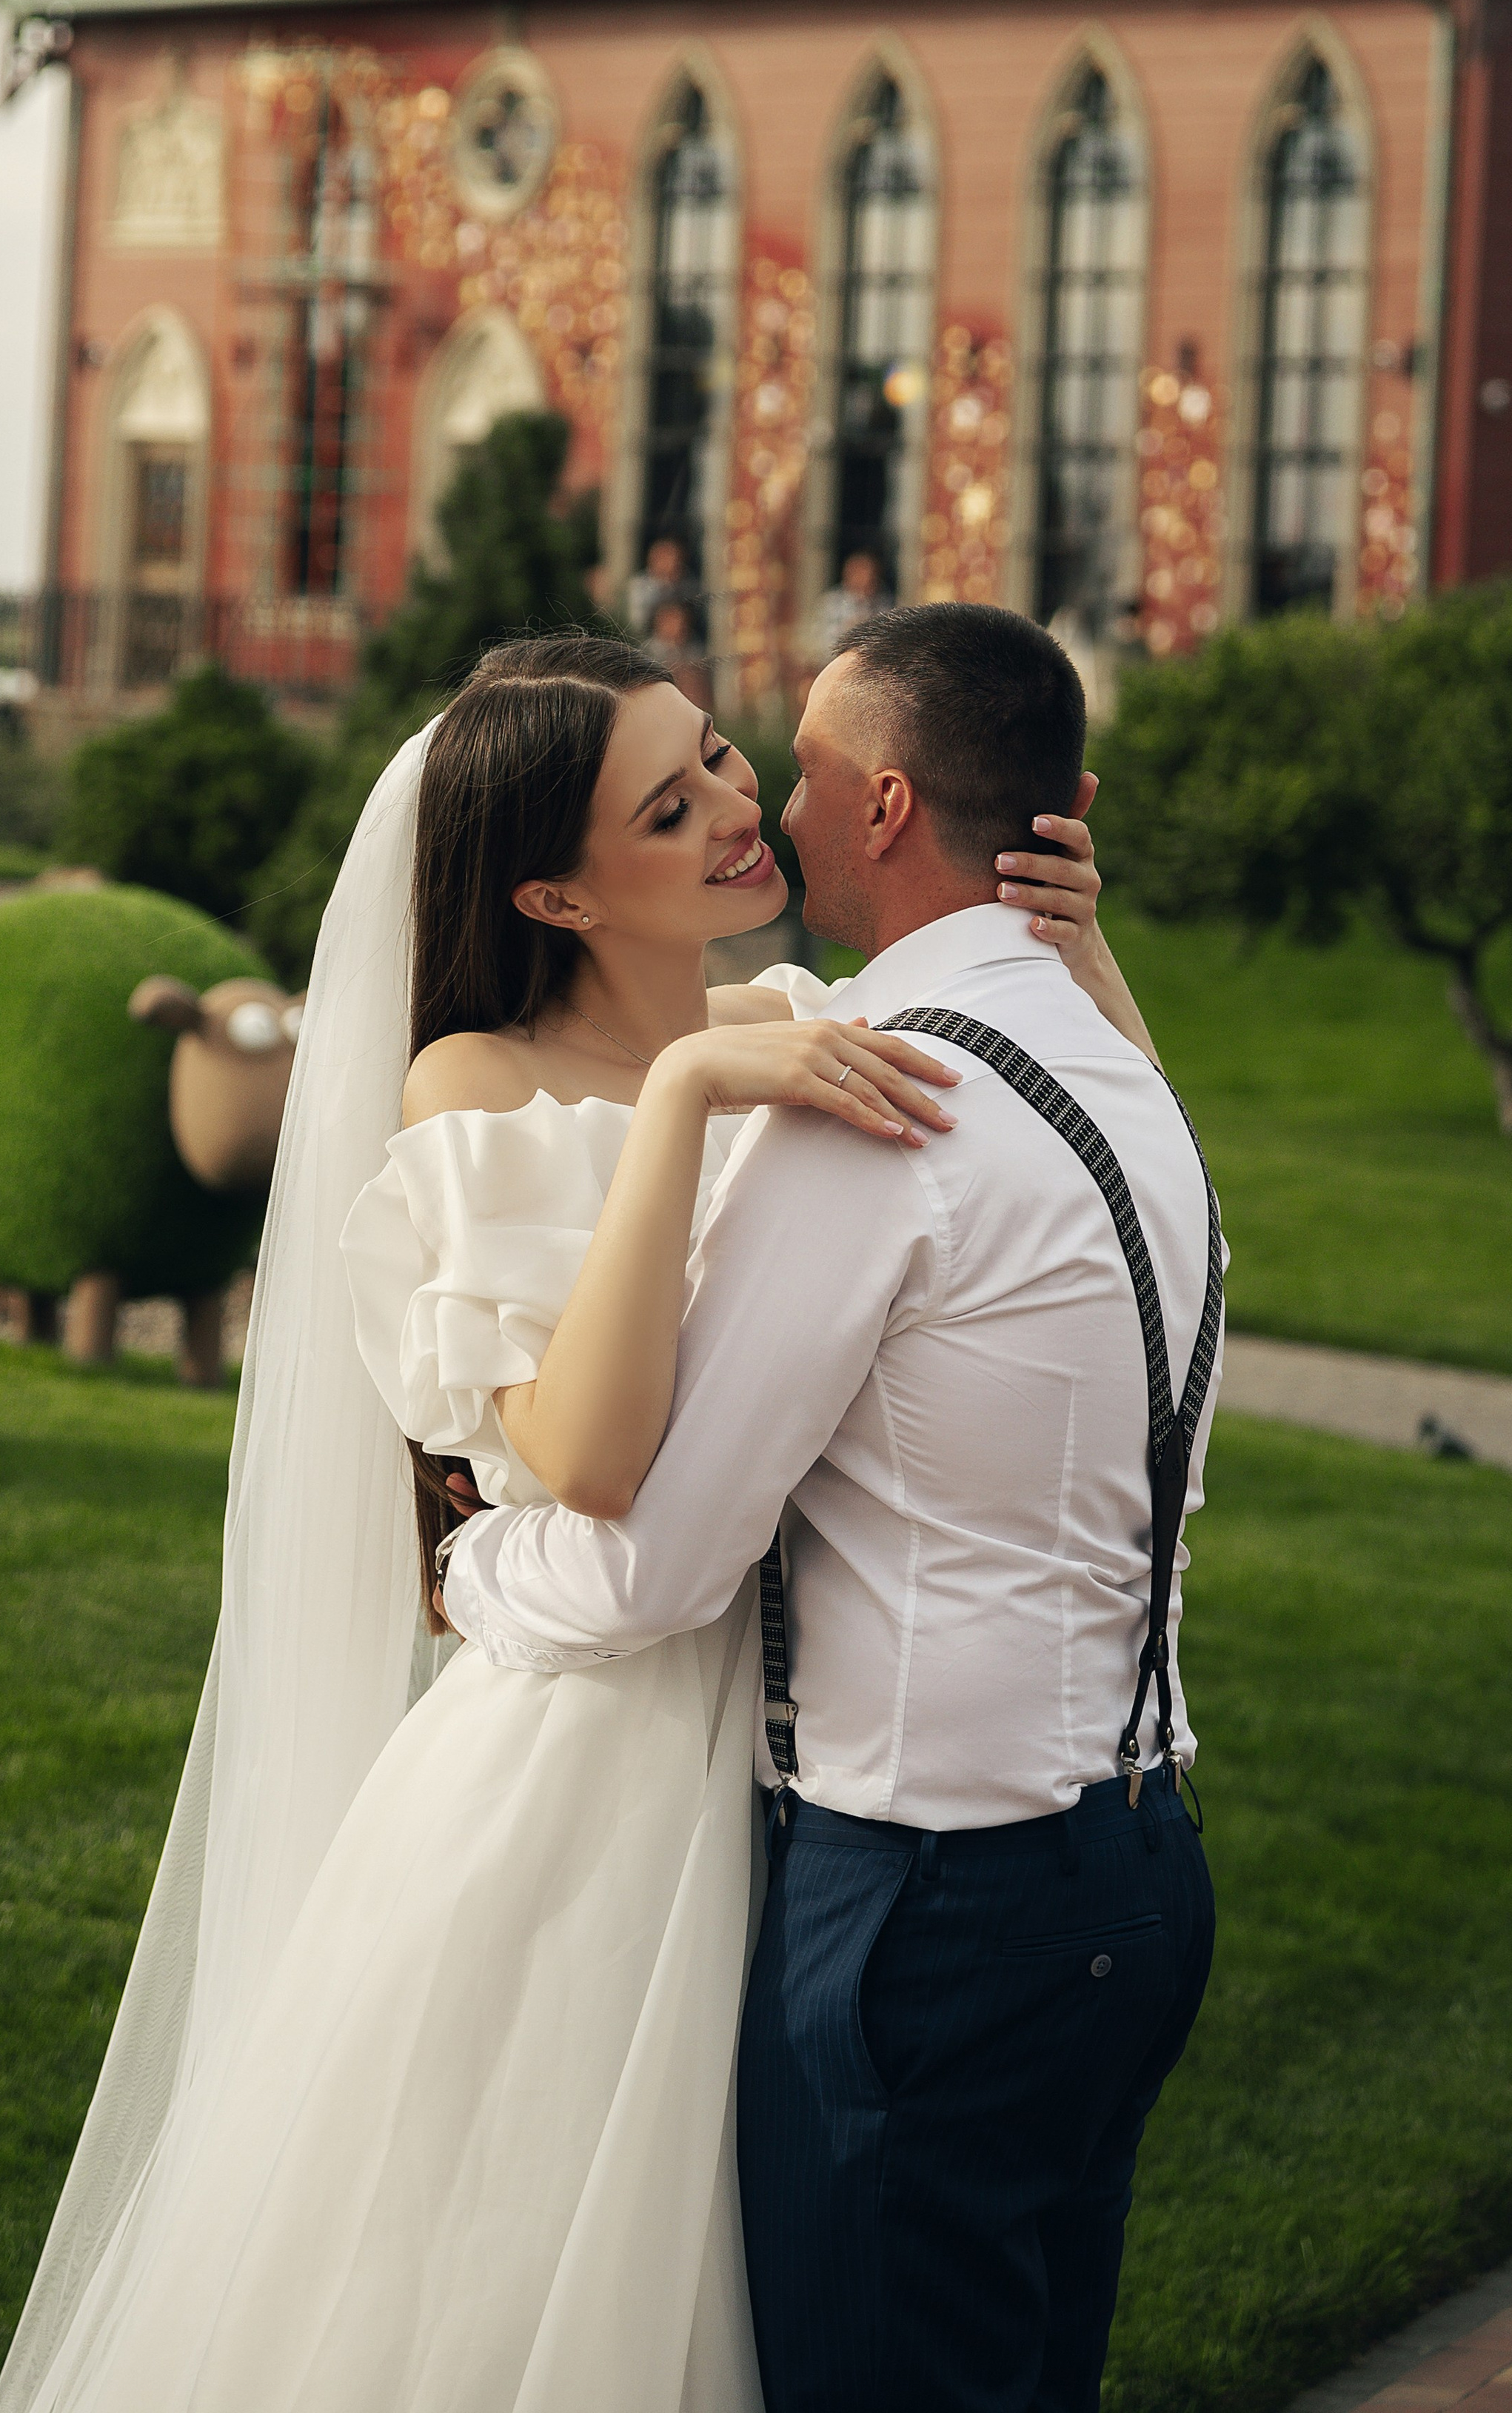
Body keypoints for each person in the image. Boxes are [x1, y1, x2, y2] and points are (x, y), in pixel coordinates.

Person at [0, 632, 1141, 2413]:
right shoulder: (476, 1083)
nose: (735, 811)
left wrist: (1074, 952)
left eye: (721, 760)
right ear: (552, 891)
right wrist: (675, 1099)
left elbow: (1111, 1189)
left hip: (807, 1755)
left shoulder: (798, 1016)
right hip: (588, 1771)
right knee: (518, 2281)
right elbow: (592, 1460)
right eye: (665, 809)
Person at [439, 605, 1222, 2413]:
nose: (765, 806)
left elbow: (653, 1566)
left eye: (787, 766)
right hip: (1140, 1864)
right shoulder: (1127, 1072)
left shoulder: (869, 1102)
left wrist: (473, 1558)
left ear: (881, 805)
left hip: (929, 1908)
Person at [814, 544, 891, 661]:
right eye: (860, 573)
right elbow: (821, 643)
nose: (866, 579)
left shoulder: (884, 603)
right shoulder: (832, 603)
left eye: (870, 573)